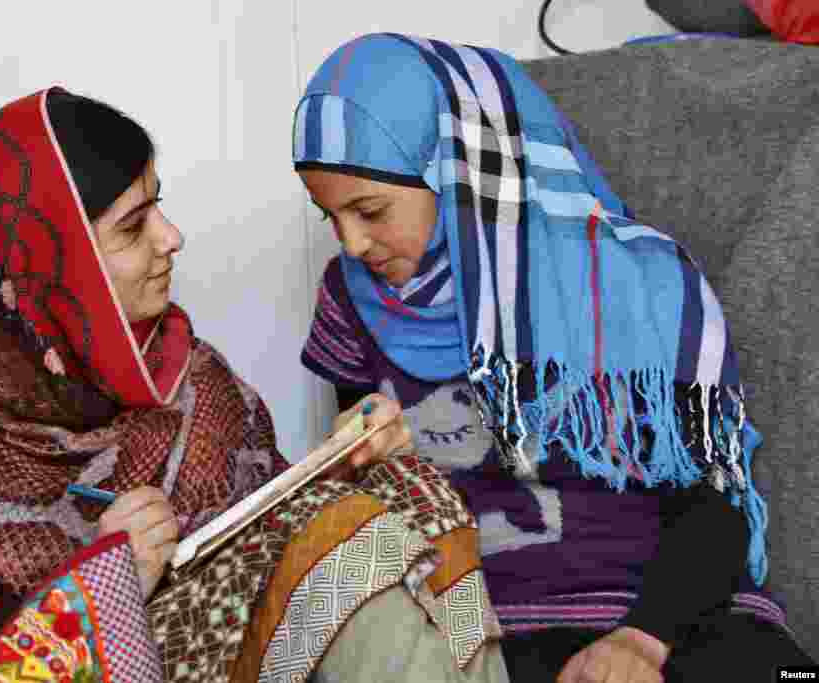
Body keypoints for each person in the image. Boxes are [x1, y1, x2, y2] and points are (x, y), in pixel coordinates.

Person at [0, 87, 508, 683]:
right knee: (341, 544)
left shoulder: (196, 383)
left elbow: (272, 545)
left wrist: (348, 460)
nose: (171, 239)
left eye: (158, 208)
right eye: (132, 227)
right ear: (48, 266)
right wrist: (99, 588)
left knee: (403, 495)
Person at [293, 33, 816, 683]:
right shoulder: (352, 299)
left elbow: (715, 507)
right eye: (329, 216)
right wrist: (361, 455)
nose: (352, 243)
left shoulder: (643, 285)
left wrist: (641, 641)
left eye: (369, 210)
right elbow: (374, 508)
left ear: (458, 172)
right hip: (487, 625)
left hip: (669, 614)